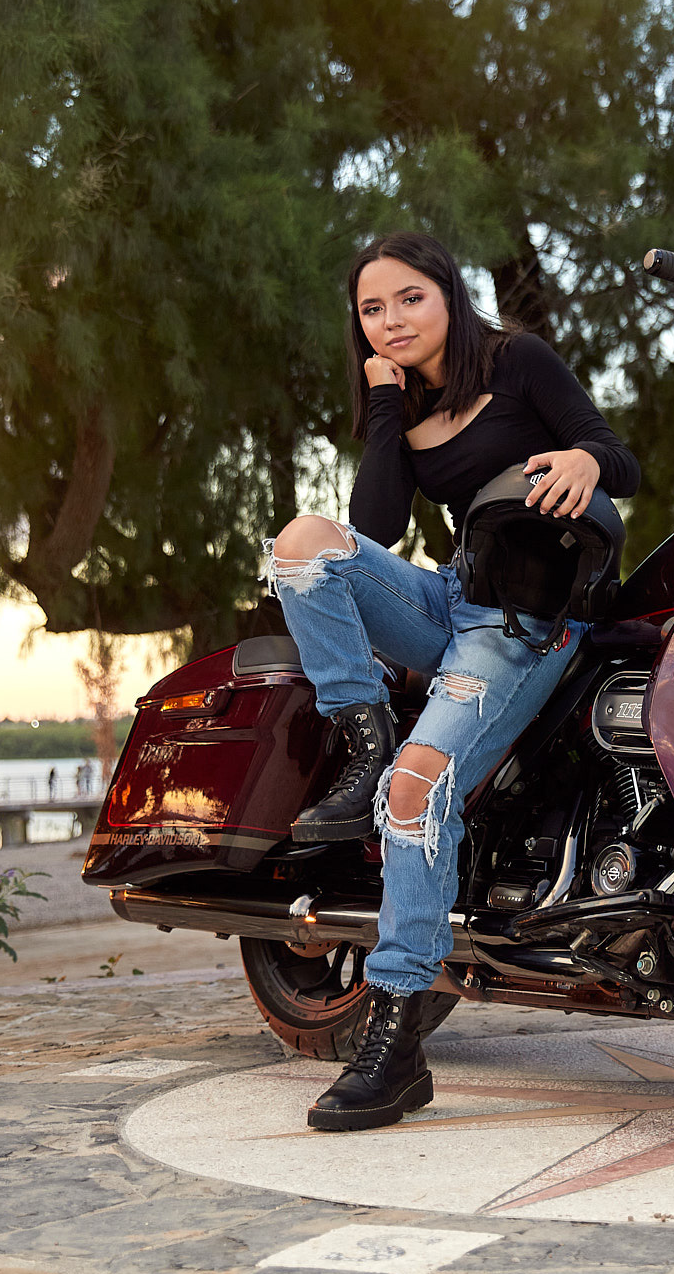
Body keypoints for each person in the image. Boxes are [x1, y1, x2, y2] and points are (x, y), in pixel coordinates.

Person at [264, 232, 639, 1134]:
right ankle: (364, 739)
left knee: (419, 789)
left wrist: (586, 461)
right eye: (371, 309)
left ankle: (395, 1043)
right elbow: (377, 523)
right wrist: (384, 406)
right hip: (449, 602)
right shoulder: (402, 404)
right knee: (304, 546)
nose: (391, 320)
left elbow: (618, 460)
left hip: (526, 623)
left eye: (409, 299)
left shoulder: (519, 362)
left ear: (448, 295)